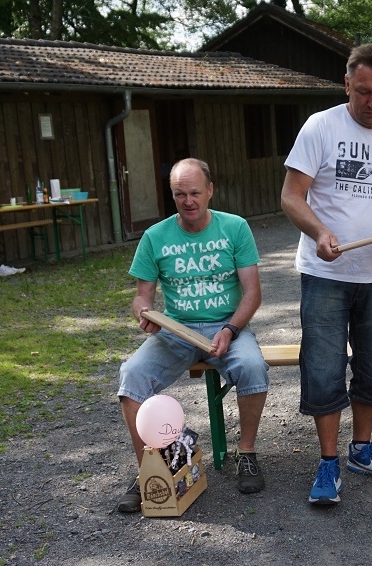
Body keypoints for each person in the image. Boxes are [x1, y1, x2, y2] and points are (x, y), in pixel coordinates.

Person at [281, 43, 372, 505]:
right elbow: (291, 196)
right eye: (363, 91)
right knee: (323, 369)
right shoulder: (320, 126)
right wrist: (319, 232)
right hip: (324, 273)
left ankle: (361, 450)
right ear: (347, 84)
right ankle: (328, 461)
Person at [116, 158, 269, 513]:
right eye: (179, 194)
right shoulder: (155, 236)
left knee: (252, 365)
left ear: (210, 190)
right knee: (131, 374)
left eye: (195, 193)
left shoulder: (235, 227)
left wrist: (231, 329)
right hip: (177, 330)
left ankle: (246, 453)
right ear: (172, 195)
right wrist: (144, 313)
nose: (188, 201)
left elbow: (252, 293)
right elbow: (141, 296)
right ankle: (150, 472)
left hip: (228, 327)